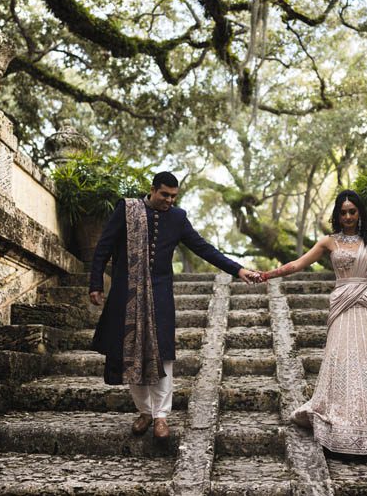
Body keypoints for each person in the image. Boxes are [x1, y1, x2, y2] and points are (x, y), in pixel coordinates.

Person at [88, 171, 259, 439]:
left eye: (173, 196)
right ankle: (144, 412)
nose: (169, 200)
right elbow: (103, 247)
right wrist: (96, 283)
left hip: (160, 295)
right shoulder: (128, 209)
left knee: (163, 355)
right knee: (131, 351)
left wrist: (238, 270)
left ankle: (161, 417)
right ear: (153, 190)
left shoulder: (178, 218)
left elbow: (204, 249)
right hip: (128, 292)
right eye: (164, 195)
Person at [256, 189, 367, 455]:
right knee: (343, 358)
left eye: (352, 211)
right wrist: (266, 275)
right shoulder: (328, 242)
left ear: (360, 213)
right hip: (343, 304)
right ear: (337, 215)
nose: (348, 216)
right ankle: (345, 424)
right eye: (343, 212)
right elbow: (298, 264)